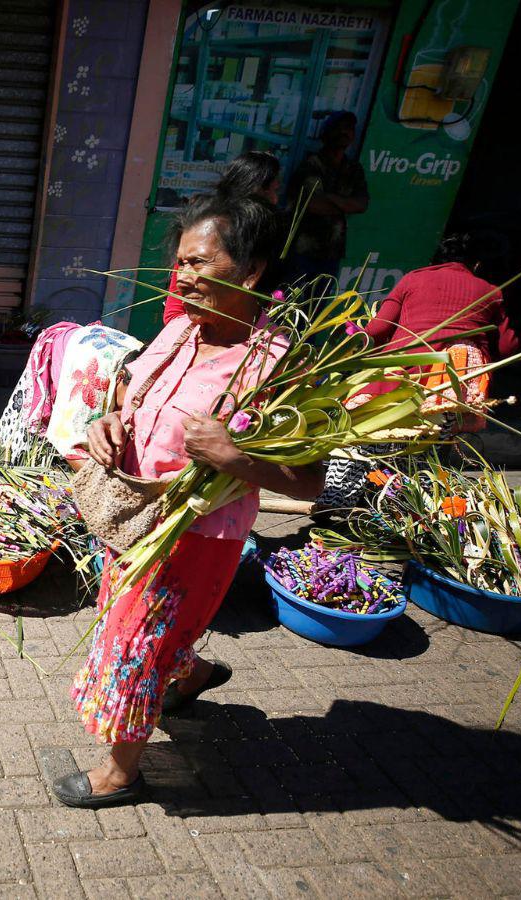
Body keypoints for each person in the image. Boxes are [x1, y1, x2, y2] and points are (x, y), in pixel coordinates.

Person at [54, 193, 325, 809]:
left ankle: (123, 773)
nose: (185, 277)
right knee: (136, 622)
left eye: (202, 263)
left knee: (134, 642)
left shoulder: (277, 364)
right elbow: (129, 399)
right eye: (181, 263)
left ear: (251, 272)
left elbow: (308, 482)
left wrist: (236, 458)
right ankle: (194, 674)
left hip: (197, 537)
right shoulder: (178, 330)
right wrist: (107, 421)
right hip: (131, 519)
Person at [360, 231, 520, 430]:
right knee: (433, 445)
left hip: (402, 374)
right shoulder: (490, 291)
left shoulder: (412, 279)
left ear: (434, 262)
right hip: (455, 387)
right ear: (477, 265)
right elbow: (507, 347)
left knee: (384, 439)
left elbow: (376, 330)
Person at [163, 151, 282, 325]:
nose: (275, 198)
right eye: (271, 189)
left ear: (253, 271)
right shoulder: (207, 232)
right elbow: (173, 314)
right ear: (255, 188)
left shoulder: (264, 242)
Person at [286, 111, 368, 286]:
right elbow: (312, 204)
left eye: (348, 129)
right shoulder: (312, 164)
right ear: (327, 133)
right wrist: (345, 204)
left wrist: (329, 198)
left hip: (332, 251)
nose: (343, 133)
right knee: (295, 300)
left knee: (319, 304)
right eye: (338, 128)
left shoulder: (353, 168)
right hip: (304, 248)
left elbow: (362, 204)